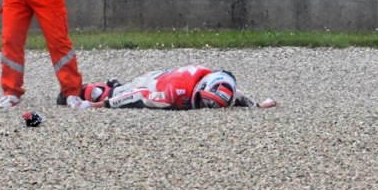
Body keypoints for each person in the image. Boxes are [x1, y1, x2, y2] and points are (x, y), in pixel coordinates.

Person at [78, 65, 277, 110]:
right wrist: (98, 105)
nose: (204, 108)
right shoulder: (175, 94)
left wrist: (264, 105)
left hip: (168, 77)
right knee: (103, 93)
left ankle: (114, 84)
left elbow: (243, 99)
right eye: (202, 103)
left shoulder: (222, 92)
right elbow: (140, 95)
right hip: (152, 82)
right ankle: (81, 89)